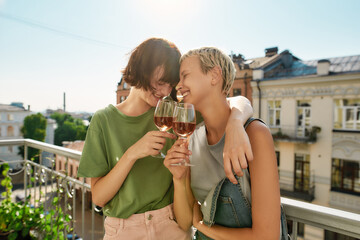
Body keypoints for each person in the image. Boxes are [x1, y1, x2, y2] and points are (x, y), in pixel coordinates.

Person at [77, 38, 254, 240]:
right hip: (124, 231)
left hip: (172, 227)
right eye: (160, 82)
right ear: (140, 69)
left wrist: (236, 123)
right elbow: (99, 197)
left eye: (170, 85)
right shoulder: (104, 120)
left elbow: (237, 101)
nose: (163, 92)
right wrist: (132, 154)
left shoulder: (174, 112)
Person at [164, 47, 288, 239]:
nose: (178, 86)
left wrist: (204, 228)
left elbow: (267, 236)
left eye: (185, 76)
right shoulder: (192, 138)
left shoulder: (255, 134)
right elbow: (185, 221)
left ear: (214, 75)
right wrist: (178, 180)